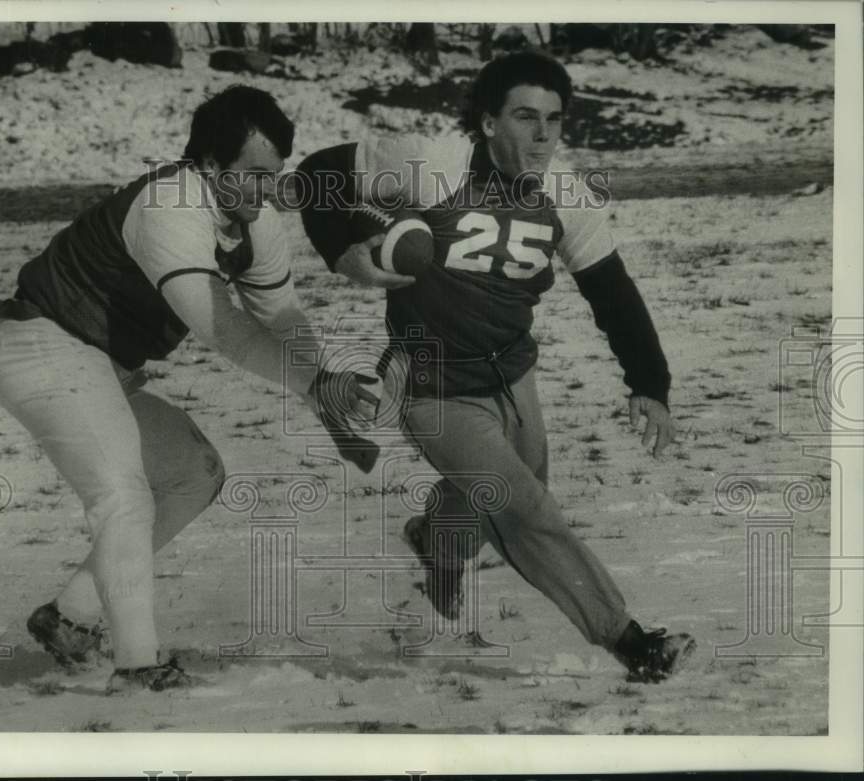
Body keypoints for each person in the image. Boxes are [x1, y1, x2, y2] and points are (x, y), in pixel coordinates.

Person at [0, 86, 375, 693]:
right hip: (44, 348)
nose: (265, 190)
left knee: (195, 473)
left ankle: (70, 615)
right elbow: (225, 330)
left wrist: (324, 395)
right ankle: (138, 666)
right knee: (125, 498)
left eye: (274, 175)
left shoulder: (256, 219)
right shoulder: (172, 203)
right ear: (210, 166)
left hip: (97, 363)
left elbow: (281, 320)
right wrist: (317, 383)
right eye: (251, 175)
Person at [296, 51, 695, 683]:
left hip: (513, 378)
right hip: (428, 383)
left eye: (555, 120)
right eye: (525, 117)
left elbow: (612, 291)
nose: (542, 136)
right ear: (487, 122)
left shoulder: (568, 195)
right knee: (525, 508)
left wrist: (650, 384)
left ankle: (435, 548)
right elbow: (316, 174)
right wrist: (344, 249)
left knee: (486, 496)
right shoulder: (430, 163)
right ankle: (632, 643)